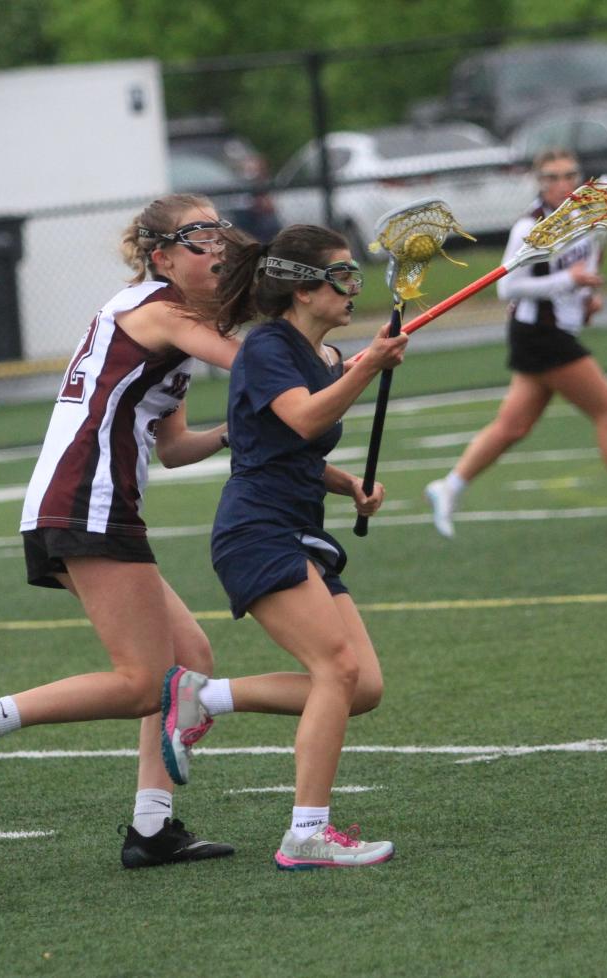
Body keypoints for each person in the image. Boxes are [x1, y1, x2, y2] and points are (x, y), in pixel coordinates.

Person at [0, 194, 243, 869]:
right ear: (161, 256)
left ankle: (152, 829)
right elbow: (253, 364)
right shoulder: (160, 311)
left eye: (221, 231)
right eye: (199, 238)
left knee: (188, 660)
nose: (218, 246)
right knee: (144, 682)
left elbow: (178, 445)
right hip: (86, 502)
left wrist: (233, 432)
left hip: (90, 503)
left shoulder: (170, 323)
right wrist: (338, 361)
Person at [159, 225, 408, 870]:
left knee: (364, 686)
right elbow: (302, 418)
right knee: (337, 671)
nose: (353, 288)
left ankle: (204, 698)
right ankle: (306, 833)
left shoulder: (322, 358)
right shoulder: (267, 347)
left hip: (298, 525)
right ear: (301, 289)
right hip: (257, 530)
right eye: (342, 276)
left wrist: (347, 481)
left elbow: (279, 443)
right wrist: (370, 369)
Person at [424, 148, 607, 537]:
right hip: (539, 335)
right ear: (539, 182)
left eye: (569, 175)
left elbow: (584, 266)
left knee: (512, 427)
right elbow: (507, 288)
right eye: (552, 177)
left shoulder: (582, 219)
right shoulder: (528, 228)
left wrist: (585, 297)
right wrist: (570, 283)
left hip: (553, 333)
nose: (563, 184)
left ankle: (449, 486)